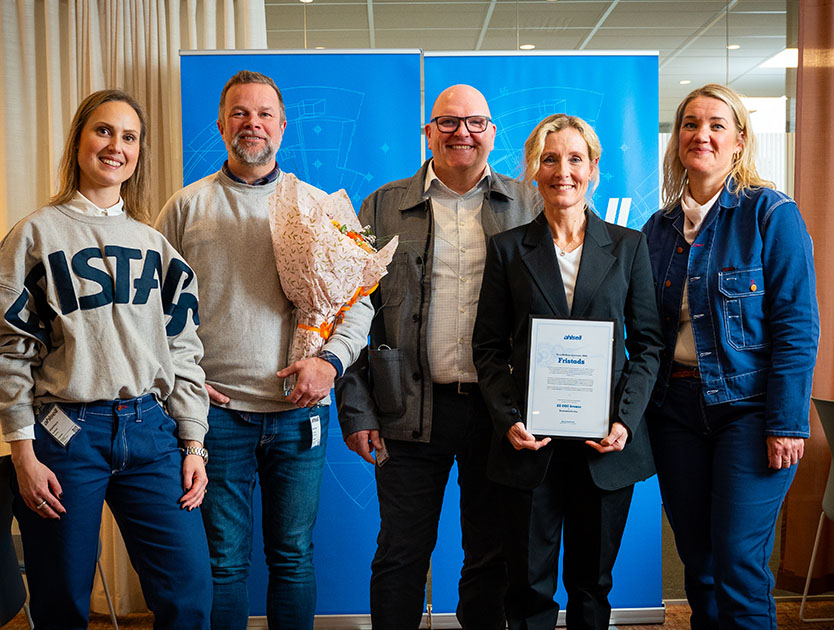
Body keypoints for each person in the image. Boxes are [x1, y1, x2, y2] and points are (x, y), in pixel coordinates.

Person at [156, 69, 372, 630]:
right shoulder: (186, 207)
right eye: (240, 113)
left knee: (294, 557)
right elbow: (151, 309)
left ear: (282, 125)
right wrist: (179, 382)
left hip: (300, 414)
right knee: (224, 563)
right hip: (216, 416)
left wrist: (329, 362)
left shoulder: (320, 206)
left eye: (264, 114)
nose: (252, 124)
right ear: (221, 124)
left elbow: (360, 304)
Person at [0, 89, 212, 628]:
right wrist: (23, 453)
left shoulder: (155, 247)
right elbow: (11, 351)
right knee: (62, 601)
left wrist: (193, 442)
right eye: (103, 131)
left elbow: (183, 351)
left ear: (139, 152)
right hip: (65, 435)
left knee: (189, 596)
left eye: (129, 137)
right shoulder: (34, 235)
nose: (116, 145)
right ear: (78, 141)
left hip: (152, 433)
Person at [335, 84, 540, 629]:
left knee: (492, 555)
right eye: (447, 122)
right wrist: (356, 409)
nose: (461, 133)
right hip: (405, 410)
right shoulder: (382, 206)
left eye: (475, 123)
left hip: (500, 414)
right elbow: (348, 311)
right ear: (429, 132)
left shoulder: (529, 204)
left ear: (493, 132)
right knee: (400, 554)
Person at [472, 113, 663, 630]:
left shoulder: (628, 247)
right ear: (533, 171)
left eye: (575, 159)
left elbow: (648, 346)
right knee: (527, 589)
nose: (563, 171)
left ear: (593, 169)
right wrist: (508, 418)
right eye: (550, 159)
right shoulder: (508, 250)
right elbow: (487, 348)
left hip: (606, 447)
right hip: (529, 446)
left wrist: (625, 421)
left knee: (592, 587)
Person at [642, 83, 819, 630]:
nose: (702, 135)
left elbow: (797, 327)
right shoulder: (657, 229)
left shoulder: (772, 214)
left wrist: (786, 423)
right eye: (691, 124)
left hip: (750, 412)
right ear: (677, 140)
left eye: (717, 125)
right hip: (675, 412)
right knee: (699, 565)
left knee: (739, 564)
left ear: (740, 140)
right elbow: (643, 333)